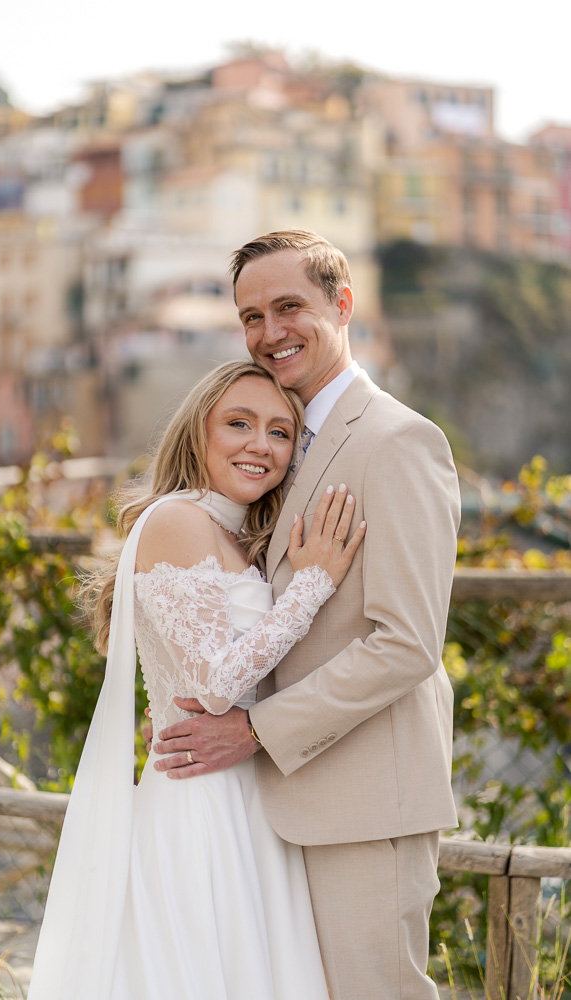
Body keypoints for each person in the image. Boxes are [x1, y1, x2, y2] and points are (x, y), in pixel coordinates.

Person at [151, 231, 462, 1000]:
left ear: (343, 304)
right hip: (271, 806)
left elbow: (406, 644)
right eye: (250, 316)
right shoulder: (279, 442)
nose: (269, 332)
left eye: (289, 307)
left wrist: (255, 730)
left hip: (362, 803)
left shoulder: (396, 441)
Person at [27, 359, 366, 1000]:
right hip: (202, 801)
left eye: (280, 432)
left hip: (247, 789)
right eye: (239, 423)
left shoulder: (233, 533)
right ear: (198, 433)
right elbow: (214, 685)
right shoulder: (178, 520)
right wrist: (313, 585)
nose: (260, 444)